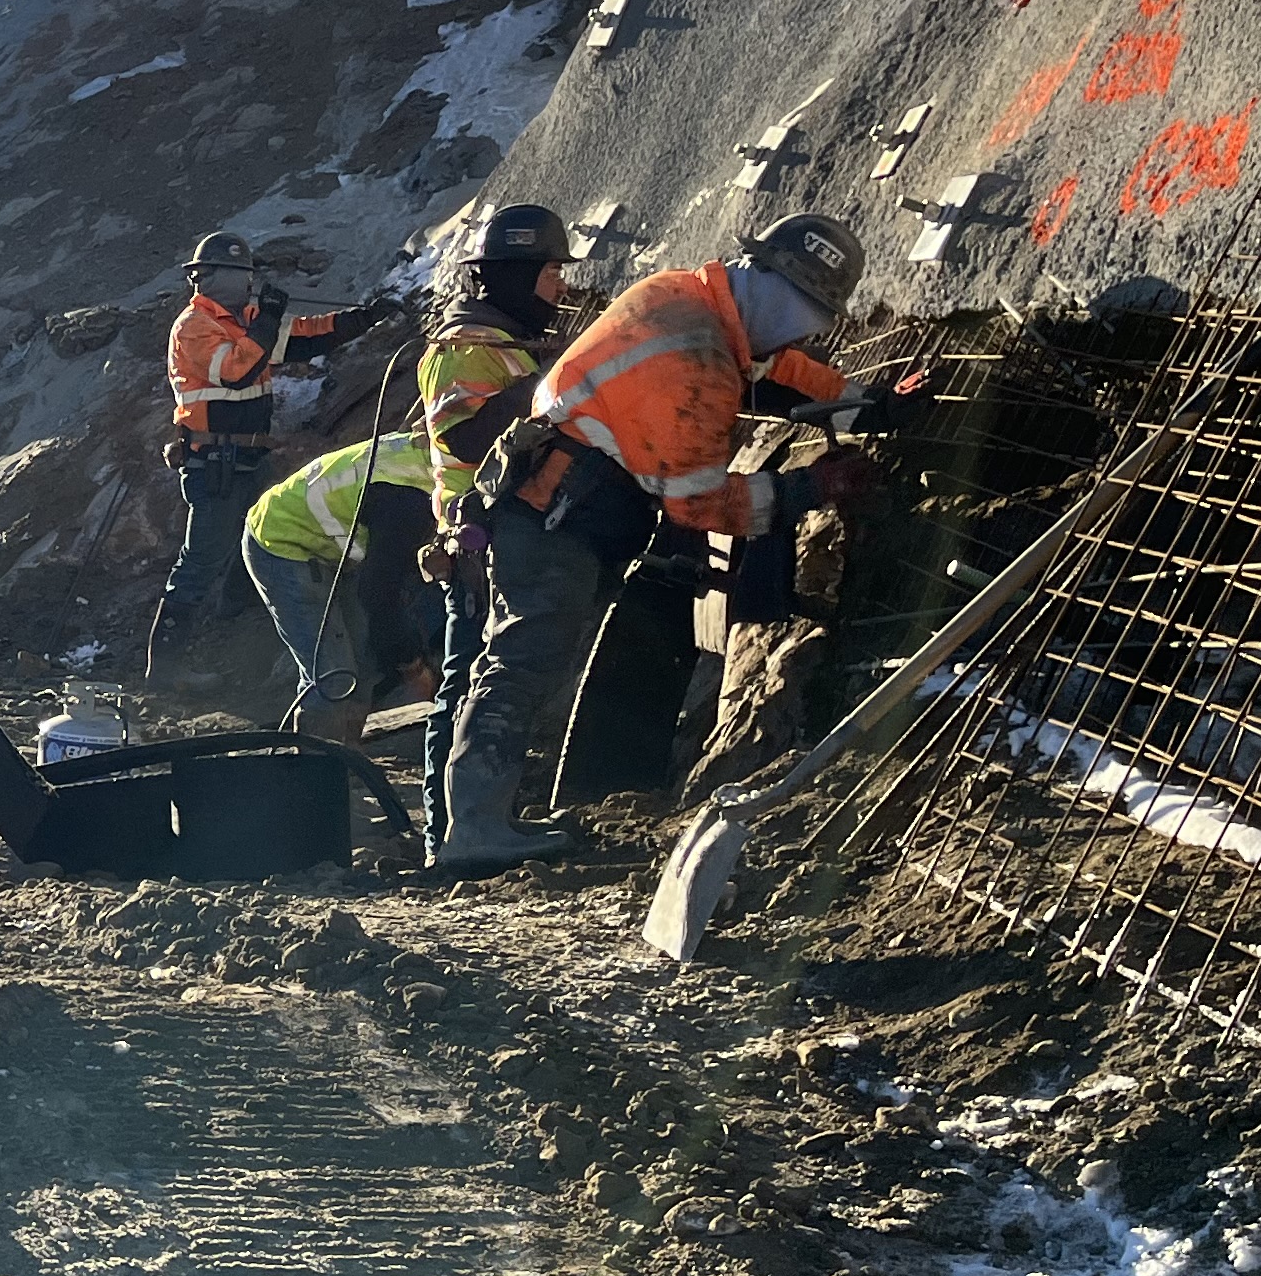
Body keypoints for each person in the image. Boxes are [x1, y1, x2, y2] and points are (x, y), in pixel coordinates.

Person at [434, 211, 884, 870]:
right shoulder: (698, 362)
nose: (805, 329)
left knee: (520, 665)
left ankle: (481, 819)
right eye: (805, 311)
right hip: (559, 516)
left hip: (556, 506)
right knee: (521, 666)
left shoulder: (688, 297)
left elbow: (776, 366)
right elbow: (700, 501)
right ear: (768, 286)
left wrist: (858, 400)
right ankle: (472, 829)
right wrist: (811, 490)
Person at [411, 205, 579, 852]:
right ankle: (448, 835)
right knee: (467, 684)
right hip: (476, 544)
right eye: (549, 271)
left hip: (495, 536)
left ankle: (467, 828)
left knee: (474, 678)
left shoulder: (499, 344)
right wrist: (549, 394)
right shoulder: (464, 348)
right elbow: (469, 431)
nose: (560, 285)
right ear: (512, 275)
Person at [145, 232, 341, 675]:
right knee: (202, 560)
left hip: (250, 459)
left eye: (248, 274)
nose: (250, 282)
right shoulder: (193, 326)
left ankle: (235, 651)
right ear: (207, 277)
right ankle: (165, 671)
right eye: (242, 274)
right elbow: (235, 372)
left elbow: (307, 336)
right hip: (213, 463)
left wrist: (365, 319)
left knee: (257, 545)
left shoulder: (247, 320)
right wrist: (267, 319)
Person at [242, 429, 442, 743]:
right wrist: (414, 669)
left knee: (362, 664)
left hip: (329, 548)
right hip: (281, 542)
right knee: (332, 677)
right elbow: (380, 594)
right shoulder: (410, 499)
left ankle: (345, 757)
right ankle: (318, 776)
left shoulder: (425, 454)